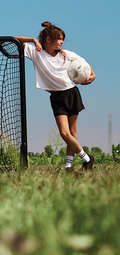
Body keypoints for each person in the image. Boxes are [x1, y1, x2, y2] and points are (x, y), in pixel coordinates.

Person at [16, 21, 96, 171]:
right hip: (56, 98)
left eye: (62, 39)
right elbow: (15, 39)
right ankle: (87, 158)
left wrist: (93, 74)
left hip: (72, 93)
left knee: (72, 133)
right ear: (48, 39)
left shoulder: (67, 54)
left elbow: (84, 62)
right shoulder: (36, 53)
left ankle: (68, 166)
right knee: (65, 133)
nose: (61, 42)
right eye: (59, 39)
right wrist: (32, 40)